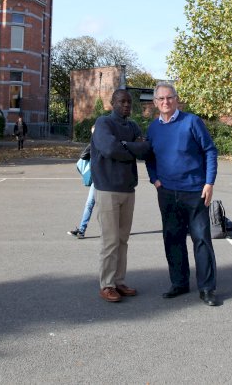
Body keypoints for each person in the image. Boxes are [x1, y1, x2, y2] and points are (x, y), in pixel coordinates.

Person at [146, 82, 220, 307]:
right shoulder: (153, 127)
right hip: (167, 192)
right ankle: (179, 283)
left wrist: (209, 182)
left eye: (169, 98)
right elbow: (149, 156)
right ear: (155, 102)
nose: (165, 102)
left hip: (195, 192)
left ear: (176, 99)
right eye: (161, 99)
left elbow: (210, 150)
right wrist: (155, 179)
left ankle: (207, 288)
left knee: (201, 240)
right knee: (172, 239)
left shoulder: (192, 121)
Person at [90, 89, 150, 303]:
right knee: (110, 240)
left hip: (127, 189)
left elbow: (145, 149)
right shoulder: (104, 123)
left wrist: (126, 146)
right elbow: (109, 149)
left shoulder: (133, 126)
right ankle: (106, 284)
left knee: (123, 239)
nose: (126, 105)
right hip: (107, 189)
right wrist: (130, 148)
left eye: (129, 102)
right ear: (112, 102)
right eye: (121, 101)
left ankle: (119, 280)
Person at [68, 126, 96, 239]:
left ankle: (116, 230)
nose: (94, 136)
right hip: (97, 181)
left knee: (109, 207)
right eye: (92, 134)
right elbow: (83, 155)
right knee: (89, 204)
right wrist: (91, 144)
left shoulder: (107, 144)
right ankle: (81, 230)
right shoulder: (93, 146)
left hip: (107, 180)